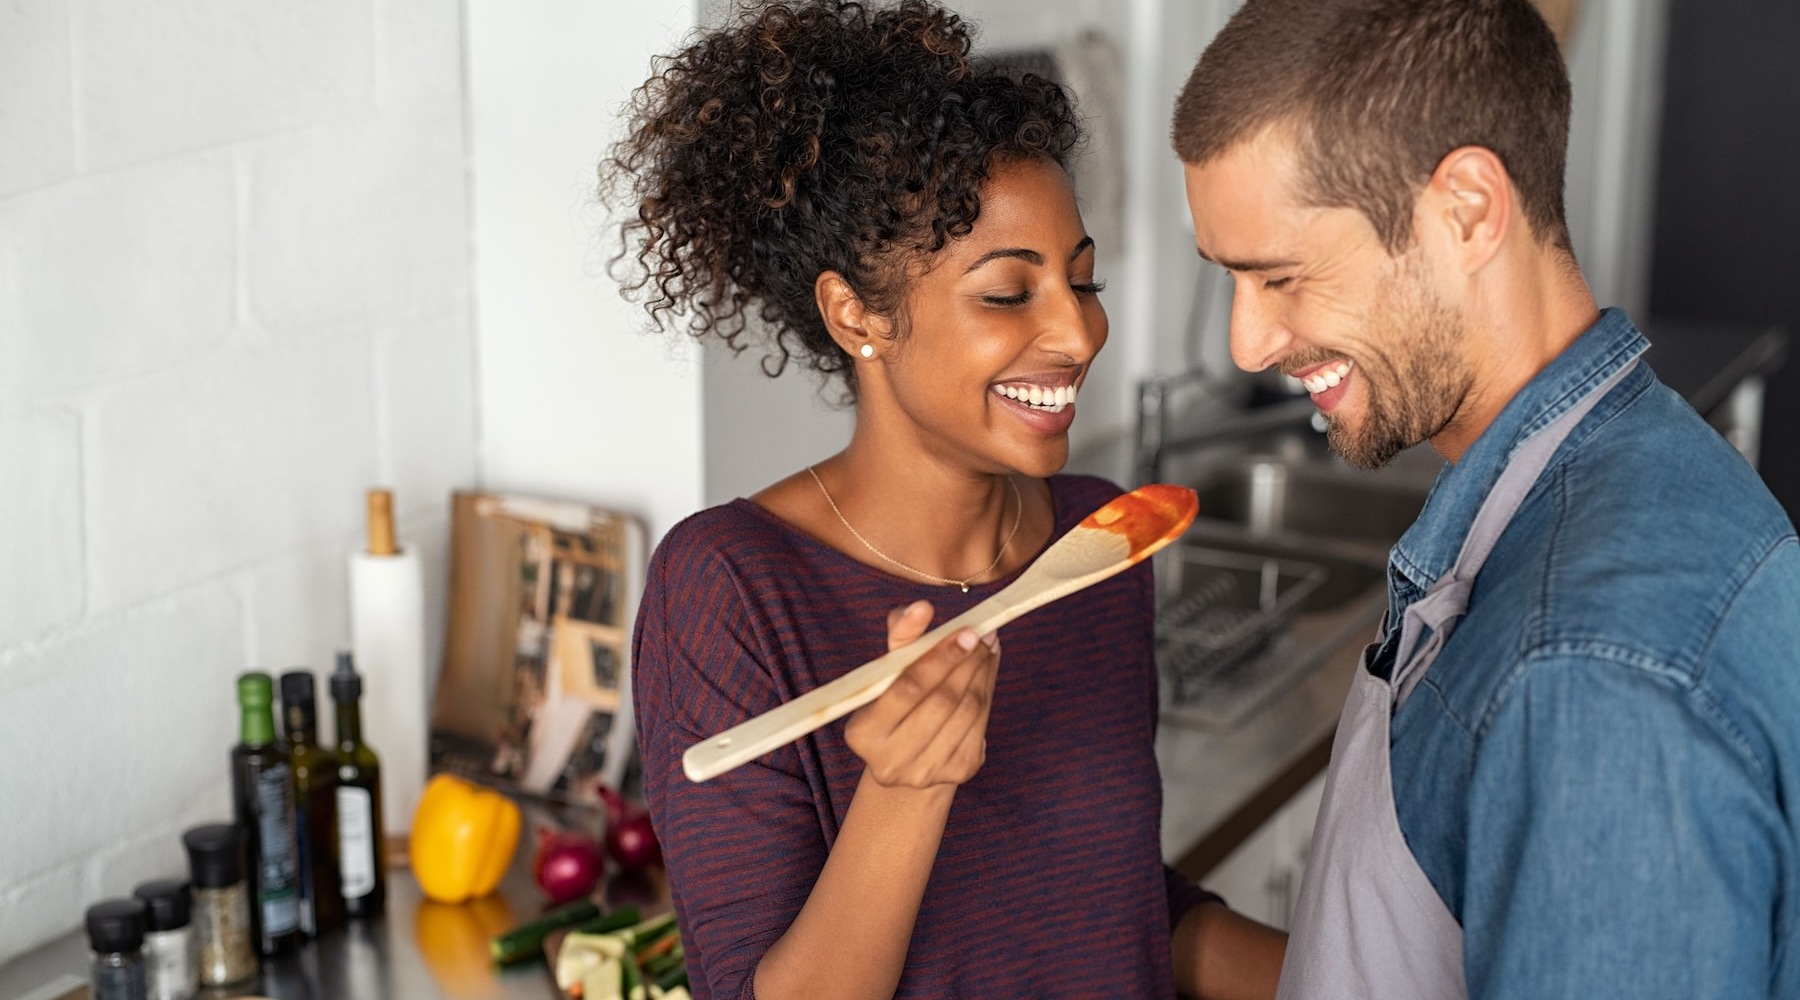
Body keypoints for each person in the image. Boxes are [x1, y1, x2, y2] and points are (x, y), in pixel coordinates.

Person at [608, 2, 1284, 998]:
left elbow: (1104, 902)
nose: (1078, 333)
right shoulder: (729, 588)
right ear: (859, 314)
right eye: (1010, 294)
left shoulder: (1097, 541)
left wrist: (1342, 970)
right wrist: (903, 788)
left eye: (1082, 281)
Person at [1170, 1, 1800, 997]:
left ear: (1467, 208)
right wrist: (1175, 932)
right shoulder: (1621, 463)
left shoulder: (1586, 672)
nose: (1247, 343)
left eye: (1281, 276)